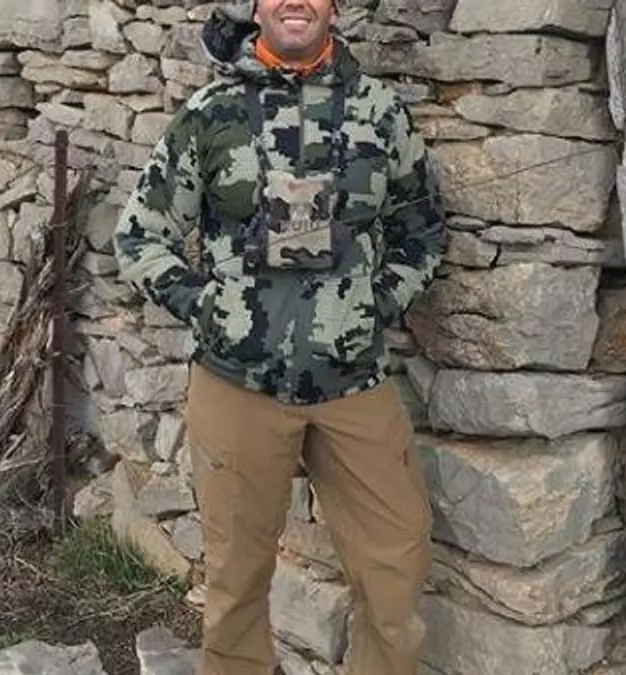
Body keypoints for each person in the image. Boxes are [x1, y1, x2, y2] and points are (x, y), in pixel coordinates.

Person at [112, 1, 445, 673]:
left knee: (396, 571)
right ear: (257, 7)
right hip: (238, 383)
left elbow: (422, 227)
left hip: (354, 380)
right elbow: (140, 236)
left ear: (333, 7)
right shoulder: (210, 114)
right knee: (235, 585)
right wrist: (207, 308)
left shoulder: (379, 111)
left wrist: (377, 304)